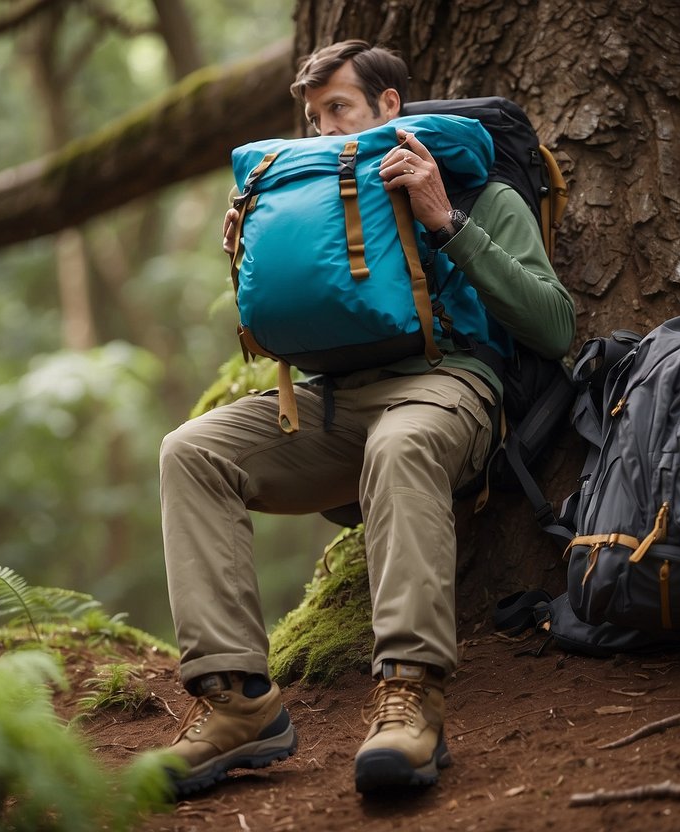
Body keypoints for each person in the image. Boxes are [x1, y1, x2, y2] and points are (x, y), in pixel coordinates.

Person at [157, 39, 576, 796]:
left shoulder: (484, 195)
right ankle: (234, 703)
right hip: (334, 400)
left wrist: (444, 218)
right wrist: (255, 254)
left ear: (390, 107)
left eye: (337, 110)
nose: (322, 132)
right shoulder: (316, 201)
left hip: (449, 388)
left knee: (401, 440)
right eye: (313, 118)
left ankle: (409, 694)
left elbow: (551, 326)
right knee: (192, 451)